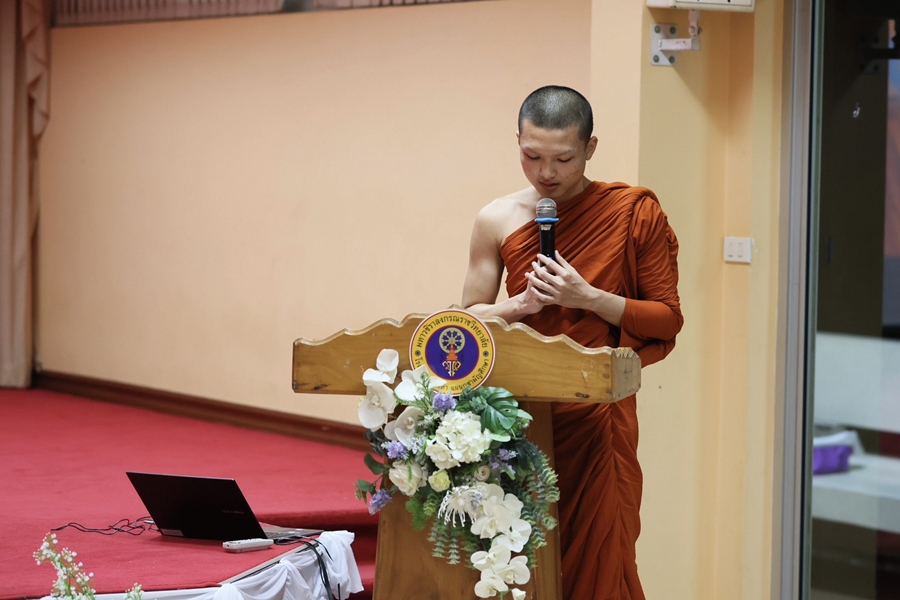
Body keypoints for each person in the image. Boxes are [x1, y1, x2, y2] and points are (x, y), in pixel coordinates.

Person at [461, 85, 683, 600]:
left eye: (563, 159)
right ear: (518, 142)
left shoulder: (632, 212)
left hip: (598, 419)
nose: (546, 173)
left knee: (600, 560)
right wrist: (520, 305)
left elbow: (667, 319)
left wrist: (589, 298)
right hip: (518, 416)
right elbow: (467, 320)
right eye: (531, 156)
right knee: (517, 563)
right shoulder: (496, 218)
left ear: (590, 148)